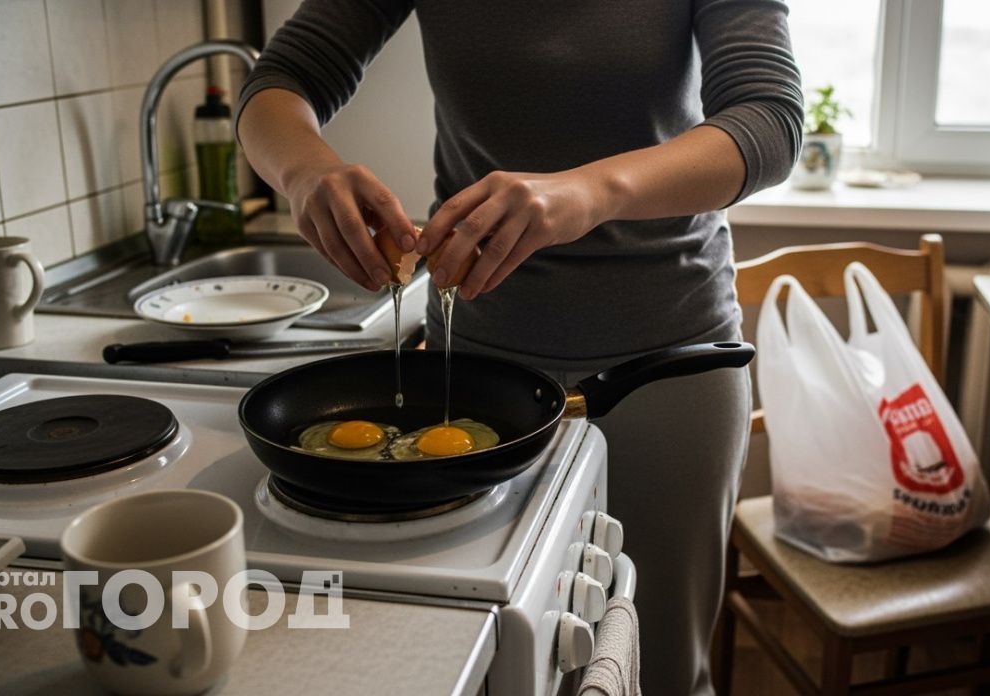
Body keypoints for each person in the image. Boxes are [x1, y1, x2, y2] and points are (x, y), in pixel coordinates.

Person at [236, 2, 801, 693]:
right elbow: (281, 80)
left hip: (666, 364)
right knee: (489, 658)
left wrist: (590, 191)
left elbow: (770, 120)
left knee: (663, 668)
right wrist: (303, 173)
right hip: (478, 377)